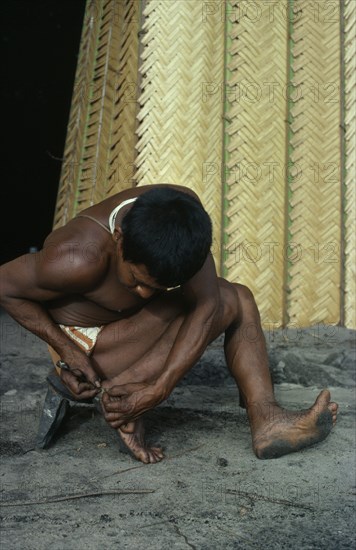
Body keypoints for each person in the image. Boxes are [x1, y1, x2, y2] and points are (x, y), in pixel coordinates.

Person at [0, 184, 338, 463]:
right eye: (136, 280)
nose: (145, 293)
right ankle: (121, 393)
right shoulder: (75, 258)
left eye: (159, 288)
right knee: (233, 299)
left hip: (126, 330)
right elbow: (5, 286)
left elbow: (206, 306)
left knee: (238, 296)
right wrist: (66, 352)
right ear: (119, 240)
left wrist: (158, 389)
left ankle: (268, 420)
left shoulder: (183, 219)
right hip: (86, 346)